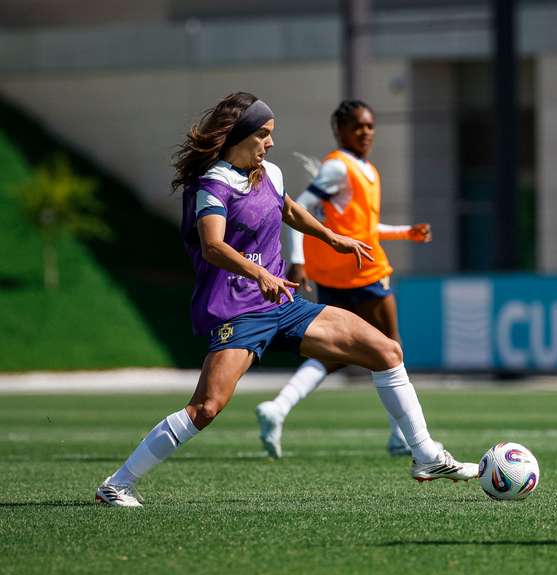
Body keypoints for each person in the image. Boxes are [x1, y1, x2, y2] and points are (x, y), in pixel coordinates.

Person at [95, 92, 478, 507]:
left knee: (386, 351)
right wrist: (261, 274)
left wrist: (331, 237)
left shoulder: (270, 174)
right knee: (206, 407)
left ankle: (425, 455)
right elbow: (213, 246)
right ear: (238, 135)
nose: (271, 142)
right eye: (263, 134)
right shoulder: (213, 184)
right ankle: (117, 484)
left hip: (282, 304)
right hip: (237, 310)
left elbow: (289, 210)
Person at [256, 100, 435, 459]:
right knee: (391, 347)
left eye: (369, 126)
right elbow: (297, 207)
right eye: (357, 126)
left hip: (338, 273)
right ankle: (401, 436)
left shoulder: (362, 169)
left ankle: (279, 406)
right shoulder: (339, 166)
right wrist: (297, 261)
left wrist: (405, 232)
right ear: (340, 130)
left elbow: (362, 228)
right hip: (364, 271)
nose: (365, 132)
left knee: (336, 353)